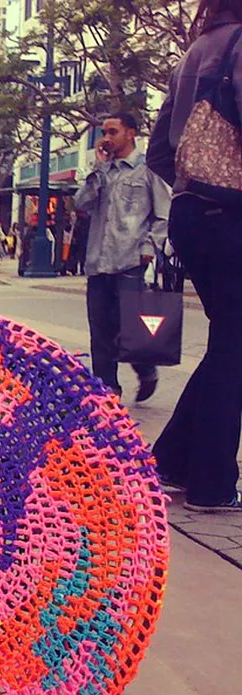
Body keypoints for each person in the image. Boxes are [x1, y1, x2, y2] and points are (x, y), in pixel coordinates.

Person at [146, 0, 242, 513]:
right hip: (231, 215)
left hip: (191, 212)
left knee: (231, 340)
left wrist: (196, 181)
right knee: (235, 344)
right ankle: (211, 482)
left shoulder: (194, 51)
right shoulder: (240, 44)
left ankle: (174, 461)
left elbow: (158, 153)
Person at [74, 111, 171, 403]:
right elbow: (81, 204)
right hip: (98, 262)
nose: (107, 138)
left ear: (131, 133)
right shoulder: (102, 172)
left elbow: (164, 215)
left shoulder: (148, 171)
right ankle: (107, 390)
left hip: (130, 261)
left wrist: (148, 249)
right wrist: (98, 168)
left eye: (113, 132)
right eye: (104, 132)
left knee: (129, 329)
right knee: (100, 330)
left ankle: (145, 369)